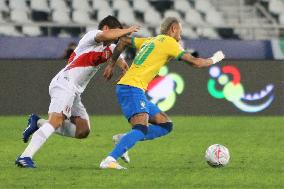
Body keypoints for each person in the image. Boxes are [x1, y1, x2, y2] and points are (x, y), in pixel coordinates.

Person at [100, 17, 225, 170]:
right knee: (140, 128)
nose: (181, 33)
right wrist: (215, 58)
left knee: (165, 124)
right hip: (131, 87)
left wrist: (111, 65)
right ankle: (110, 159)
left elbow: (124, 41)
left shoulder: (152, 40)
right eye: (180, 29)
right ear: (173, 29)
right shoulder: (170, 43)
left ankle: (124, 139)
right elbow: (196, 63)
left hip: (133, 87)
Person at [15, 15, 139, 168]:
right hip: (65, 83)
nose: (114, 40)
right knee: (56, 120)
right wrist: (126, 30)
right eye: (115, 33)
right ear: (106, 28)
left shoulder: (109, 48)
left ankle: (38, 122)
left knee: (83, 130)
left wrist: (120, 68)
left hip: (74, 92)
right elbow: (107, 36)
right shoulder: (91, 36)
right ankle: (25, 157)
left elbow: (118, 55)